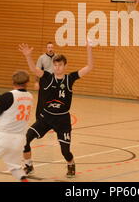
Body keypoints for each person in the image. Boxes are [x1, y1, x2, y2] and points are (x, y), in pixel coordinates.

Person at [19, 40, 93, 178]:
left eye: (60, 65)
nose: (57, 67)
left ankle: (71, 164)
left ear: (65, 66)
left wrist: (89, 49)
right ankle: (28, 165)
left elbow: (89, 67)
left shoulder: (70, 78)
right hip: (46, 117)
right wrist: (28, 56)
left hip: (63, 120)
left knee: (65, 151)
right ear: (53, 65)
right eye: (55, 64)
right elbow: (34, 70)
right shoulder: (47, 77)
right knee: (25, 139)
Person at [34, 42, 55, 119]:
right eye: (49, 47)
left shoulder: (57, 57)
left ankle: (51, 118)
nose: (50, 49)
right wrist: (36, 82)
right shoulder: (41, 58)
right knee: (42, 100)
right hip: (44, 80)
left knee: (53, 100)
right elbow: (37, 70)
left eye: (52, 47)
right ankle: (38, 118)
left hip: (54, 80)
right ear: (46, 48)